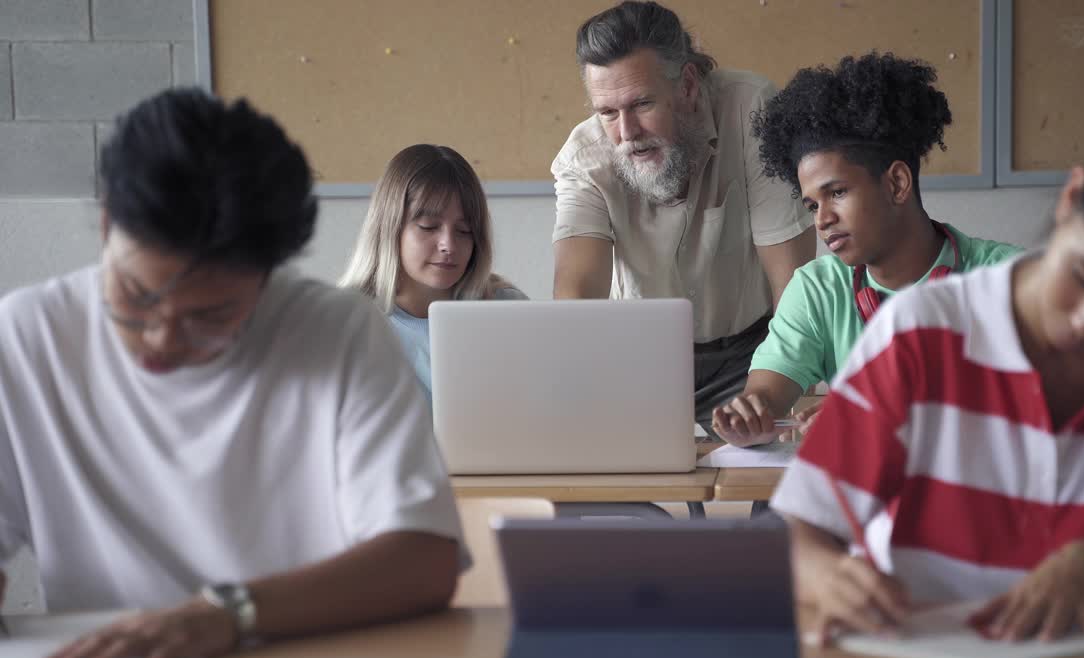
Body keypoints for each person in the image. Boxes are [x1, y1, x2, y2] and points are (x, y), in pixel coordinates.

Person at [771, 75, 1084, 643]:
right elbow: (797, 529)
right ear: (1071, 198)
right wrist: (825, 574)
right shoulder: (921, 335)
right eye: (1083, 277)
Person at [0, 89, 466, 658]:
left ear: (269, 277)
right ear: (107, 226)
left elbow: (423, 562)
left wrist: (229, 613)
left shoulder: (337, 333)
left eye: (211, 317)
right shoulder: (27, 337)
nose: (160, 340)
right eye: (136, 299)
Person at [713, 53, 1021, 447]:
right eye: (811, 205)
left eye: (837, 192)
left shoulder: (1006, 277)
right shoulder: (816, 289)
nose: (822, 219)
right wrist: (750, 415)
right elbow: (767, 394)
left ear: (896, 183)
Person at [551, 1, 815, 427]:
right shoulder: (583, 159)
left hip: (756, 348)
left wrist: (765, 395)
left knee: (788, 480)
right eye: (607, 113)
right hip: (639, 358)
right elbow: (576, 299)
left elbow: (793, 288)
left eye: (641, 104)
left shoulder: (753, 111)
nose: (626, 133)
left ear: (688, 85)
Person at [339, 144, 526, 403]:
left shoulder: (507, 308)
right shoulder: (348, 324)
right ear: (390, 227)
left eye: (464, 231)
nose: (448, 245)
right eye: (428, 227)